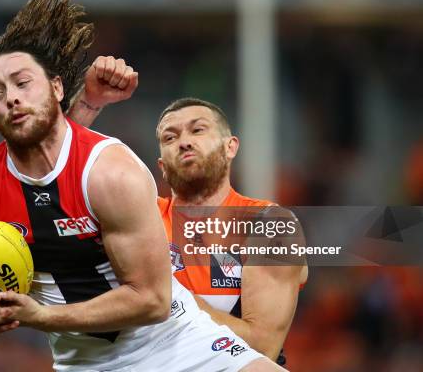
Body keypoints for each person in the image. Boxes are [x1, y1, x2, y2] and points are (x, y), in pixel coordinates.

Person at [0, 0, 285, 371]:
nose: (10, 98)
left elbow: (152, 301)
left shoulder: (112, 171)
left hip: (177, 342)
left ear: (57, 88)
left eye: (22, 83)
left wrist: (41, 317)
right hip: (84, 364)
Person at [72, 94, 308, 366]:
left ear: (230, 147)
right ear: (161, 166)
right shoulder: (139, 219)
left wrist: (162, 295)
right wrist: (87, 104)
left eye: (198, 130)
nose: (183, 142)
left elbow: (262, 346)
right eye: (170, 138)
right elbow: (61, 182)